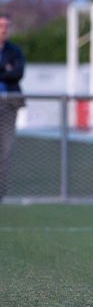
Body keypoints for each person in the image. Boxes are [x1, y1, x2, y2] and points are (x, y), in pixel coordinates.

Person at [0, 13, 25, 200]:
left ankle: (0, 192)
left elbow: (17, 73)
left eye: (6, 26)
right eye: (1, 26)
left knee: (5, 150)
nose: (4, 30)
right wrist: (4, 69)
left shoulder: (14, 51)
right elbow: (8, 71)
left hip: (9, 104)